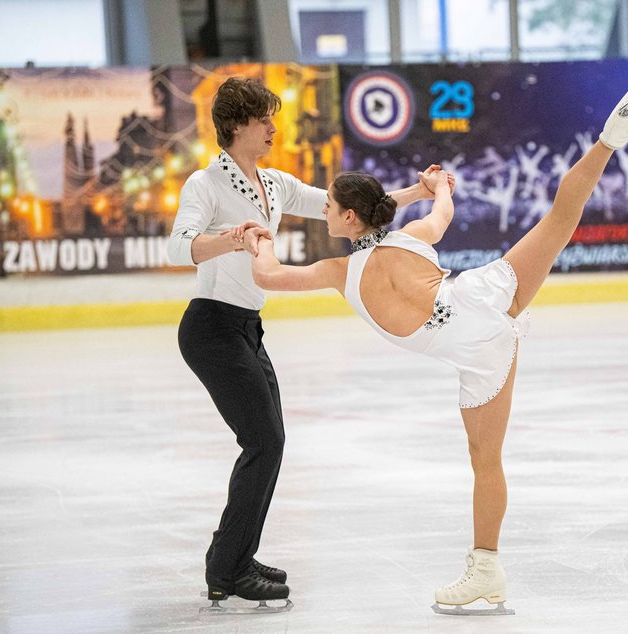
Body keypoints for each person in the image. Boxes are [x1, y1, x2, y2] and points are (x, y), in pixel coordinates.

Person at [233, 73, 628, 614]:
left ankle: (487, 566)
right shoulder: (409, 236)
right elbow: (443, 212)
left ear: (349, 217)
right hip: (485, 307)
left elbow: (269, 278)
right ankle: (610, 139)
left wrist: (257, 240)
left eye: (328, 210)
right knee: (560, 219)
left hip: (477, 342)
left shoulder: (338, 271)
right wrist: (438, 187)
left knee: (486, 461)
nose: (323, 216)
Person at [166, 76, 441, 609]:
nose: (273, 127)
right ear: (235, 125)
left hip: (246, 327)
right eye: (262, 119)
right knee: (263, 442)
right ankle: (228, 566)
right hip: (211, 329)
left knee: (271, 443)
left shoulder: (273, 183)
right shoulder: (205, 184)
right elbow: (179, 248)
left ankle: (234, 556)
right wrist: (232, 237)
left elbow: (344, 208)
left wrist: (417, 193)